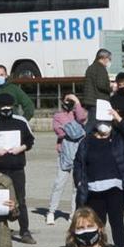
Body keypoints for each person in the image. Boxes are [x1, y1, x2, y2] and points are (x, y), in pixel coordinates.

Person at [74, 113, 124, 247]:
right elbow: (78, 163)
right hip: (93, 190)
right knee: (97, 224)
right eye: (102, 122)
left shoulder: (118, 139)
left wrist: (118, 118)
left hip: (115, 189)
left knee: (117, 222)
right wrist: (79, 181)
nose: (105, 126)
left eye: (108, 123)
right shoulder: (87, 141)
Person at [0, 93, 38, 245]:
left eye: (9, 106)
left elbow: (30, 140)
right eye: (3, 106)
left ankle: (24, 230)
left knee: (20, 199)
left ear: (13, 106)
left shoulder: (20, 121)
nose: (6, 109)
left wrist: (21, 148)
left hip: (17, 167)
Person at [48, 94, 89, 224]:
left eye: (71, 100)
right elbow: (59, 131)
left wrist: (77, 102)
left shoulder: (78, 113)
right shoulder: (58, 116)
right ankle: (51, 211)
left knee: (77, 186)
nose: (68, 102)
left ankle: (73, 213)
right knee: (59, 183)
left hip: (79, 154)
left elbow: (82, 117)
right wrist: (75, 129)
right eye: (67, 100)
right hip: (64, 153)